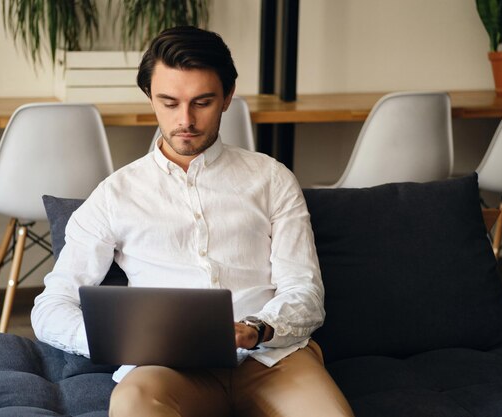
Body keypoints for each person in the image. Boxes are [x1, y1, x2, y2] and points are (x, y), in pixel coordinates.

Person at [31, 26, 354, 417]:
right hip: (168, 369)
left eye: (202, 102)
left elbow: (304, 291)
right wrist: (118, 341)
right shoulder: (114, 195)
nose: (185, 120)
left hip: (272, 359)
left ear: (227, 98)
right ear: (150, 97)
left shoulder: (272, 179)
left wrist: (257, 329)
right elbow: (51, 306)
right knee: (132, 405)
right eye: (169, 102)